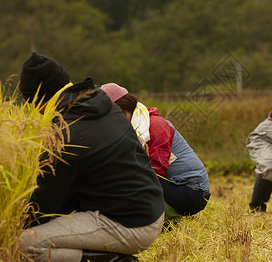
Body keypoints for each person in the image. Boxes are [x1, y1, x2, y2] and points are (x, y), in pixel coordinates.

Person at [18, 52, 165, 262]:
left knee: (25, 244)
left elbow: (45, 202)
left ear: (38, 102)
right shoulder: (103, 104)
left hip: (130, 224)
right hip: (149, 208)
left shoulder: (66, 132)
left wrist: (13, 229)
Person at [100, 83, 211, 219]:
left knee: (128, 185)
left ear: (123, 110)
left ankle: (163, 218)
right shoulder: (129, 128)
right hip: (170, 185)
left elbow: (153, 171)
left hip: (193, 192)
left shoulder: (155, 126)